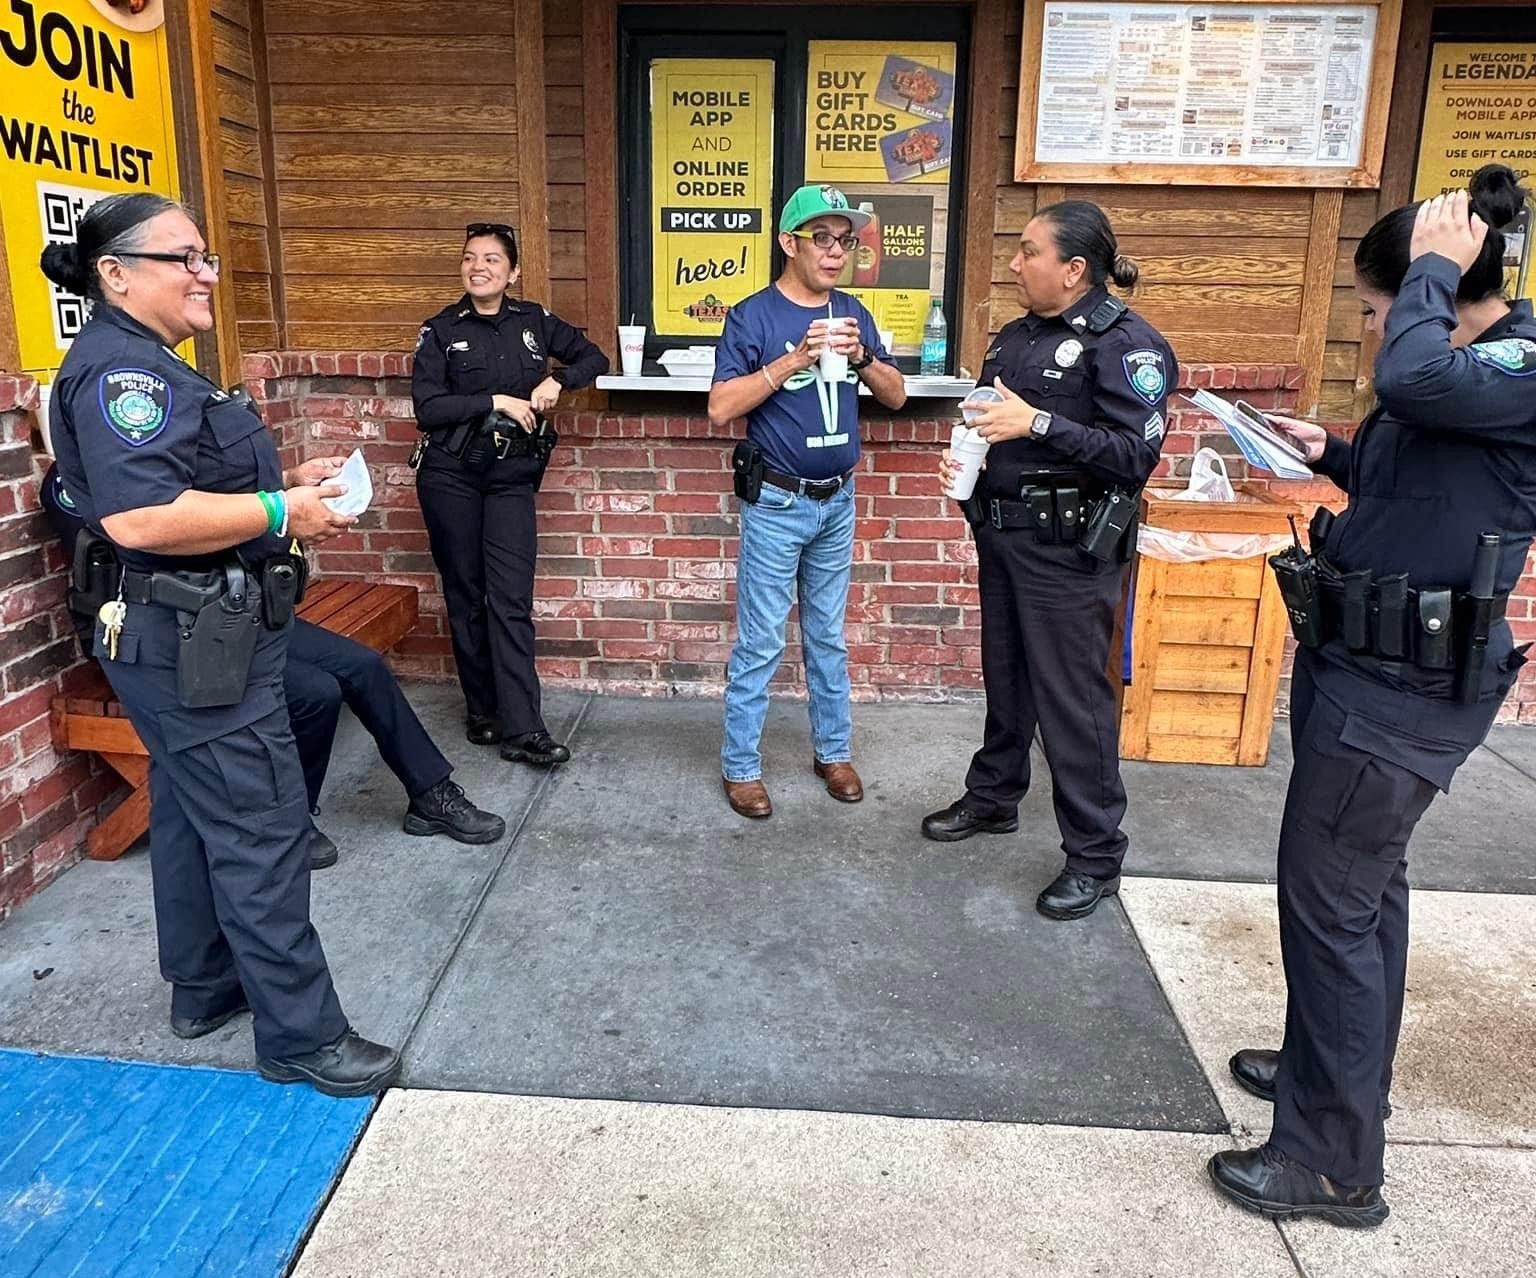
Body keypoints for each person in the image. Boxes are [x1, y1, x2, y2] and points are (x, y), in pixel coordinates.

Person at [1207, 168, 1536, 1227]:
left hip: (1399, 696)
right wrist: (1329, 451)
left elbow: (1415, 389)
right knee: (1360, 903)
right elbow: (1421, 468)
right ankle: (1328, 1074)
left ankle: (1333, 1163)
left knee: (1332, 911)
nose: (1372, 322)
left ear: (1437, 289)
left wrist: (1432, 273)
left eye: (1378, 302)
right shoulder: (1459, 371)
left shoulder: (1505, 361)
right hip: (1367, 674)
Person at [41, 192, 398, 1097]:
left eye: (205, 256)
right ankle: (301, 1037)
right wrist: (284, 511)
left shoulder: (151, 364)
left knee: (202, 813)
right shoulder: (128, 377)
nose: (206, 274)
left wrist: (285, 480)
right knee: (263, 826)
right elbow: (142, 515)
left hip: (194, 633)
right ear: (116, 274)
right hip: (192, 640)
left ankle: (203, 989)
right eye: (184, 259)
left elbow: (186, 481)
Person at [40, 462, 507, 868]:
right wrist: (277, 510)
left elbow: (213, 502)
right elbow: (159, 532)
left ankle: (430, 793)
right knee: (315, 693)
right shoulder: (80, 477)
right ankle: (288, 820)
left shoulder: (160, 459)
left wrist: (289, 482)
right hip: (172, 636)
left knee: (363, 665)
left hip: (236, 611)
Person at [921, 201, 1176, 921]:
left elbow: (1135, 456)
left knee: (1073, 703)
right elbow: (989, 419)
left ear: (1074, 268)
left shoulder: (1127, 346)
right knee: (1007, 682)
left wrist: (1037, 422)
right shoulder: (1015, 338)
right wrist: (968, 458)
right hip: (1002, 537)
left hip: (1069, 554)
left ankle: (1095, 858)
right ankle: (996, 797)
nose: (1013, 262)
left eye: (1028, 251)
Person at [708, 184, 908, 818]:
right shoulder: (753, 316)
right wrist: (793, 359)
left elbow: (897, 396)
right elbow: (719, 408)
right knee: (761, 641)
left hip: (836, 501)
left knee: (827, 637)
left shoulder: (853, 312)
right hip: (776, 501)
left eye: (846, 239)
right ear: (788, 243)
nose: (835, 250)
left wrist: (864, 355)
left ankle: (833, 751)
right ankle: (741, 766)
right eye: (821, 237)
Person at [412, 221, 607, 766]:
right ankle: (483, 711)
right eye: (470, 258)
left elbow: (595, 358)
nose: (479, 267)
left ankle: (525, 728)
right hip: (450, 475)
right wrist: (495, 398)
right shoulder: (441, 330)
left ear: (513, 271)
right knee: (467, 595)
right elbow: (428, 409)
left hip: (510, 479)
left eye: (493, 259)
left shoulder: (535, 322)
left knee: (511, 600)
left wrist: (558, 380)